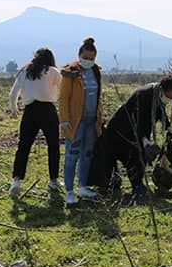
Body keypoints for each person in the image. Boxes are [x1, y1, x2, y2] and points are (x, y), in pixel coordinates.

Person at [95, 72, 172, 200]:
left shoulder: (157, 93)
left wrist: (168, 126)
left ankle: (136, 185)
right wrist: (145, 140)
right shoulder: (145, 94)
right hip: (121, 129)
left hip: (137, 131)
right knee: (130, 156)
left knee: (139, 156)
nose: (170, 99)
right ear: (164, 89)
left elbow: (159, 110)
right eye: (170, 96)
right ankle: (121, 184)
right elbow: (138, 119)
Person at [8, 48, 62, 197]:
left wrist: (14, 110)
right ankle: (53, 180)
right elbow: (60, 91)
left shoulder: (25, 71)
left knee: (23, 146)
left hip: (30, 110)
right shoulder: (53, 72)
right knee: (53, 146)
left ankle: (16, 181)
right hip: (48, 110)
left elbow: (13, 94)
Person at [59, 37, 103, 205]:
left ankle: (82, 186)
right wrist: (63, 119)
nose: (88, 61)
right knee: (72, 155)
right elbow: (63, 98)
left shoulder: (96, 72)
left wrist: (99, 118)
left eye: (92, 59)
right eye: (86, 58)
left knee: (87, 154)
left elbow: (99, 96)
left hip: (91, 121)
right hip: (75, 122)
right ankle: (69, 191)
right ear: (79, 55)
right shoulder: (71, 72)